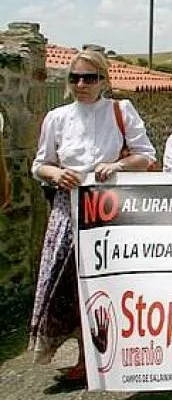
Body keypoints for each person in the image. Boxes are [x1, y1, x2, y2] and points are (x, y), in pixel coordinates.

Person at [30, 49, 156, 381]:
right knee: (68, 284)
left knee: (109, 283)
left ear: (104, 80)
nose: (82, 84)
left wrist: (116, 165)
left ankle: (111, 356)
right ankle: (86, 358)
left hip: (109, 211)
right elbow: (39, 164)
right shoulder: (56, 118)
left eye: (90, 78)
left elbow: (145, 156)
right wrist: (56, 175)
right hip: (68, 212)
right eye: (75, 78)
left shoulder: (121, 111)